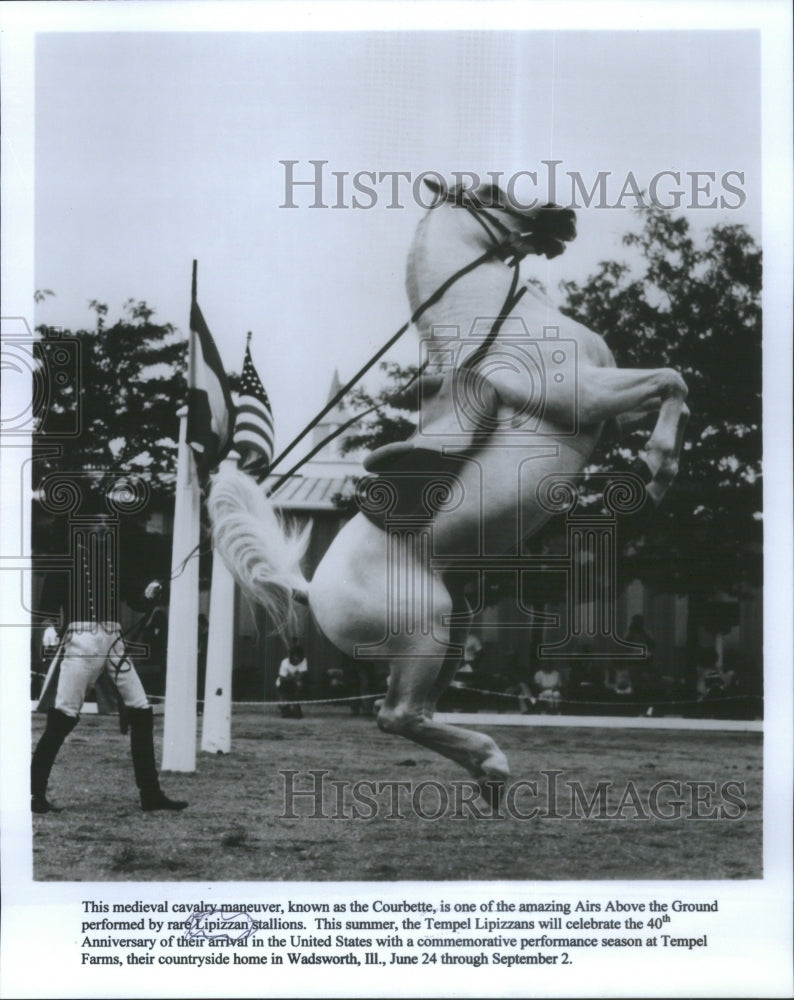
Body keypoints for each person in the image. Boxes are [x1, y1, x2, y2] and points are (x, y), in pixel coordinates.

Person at [31, 581, 187, 814]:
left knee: (142, 711)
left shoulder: (114, 558)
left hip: (113, 639)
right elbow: (48, 603)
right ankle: (34, 794)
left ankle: (150, 794)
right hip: (81, 640)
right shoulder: (68, 554)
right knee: (62, 717)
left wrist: (147, 594)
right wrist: (48, 626)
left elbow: (133, 599)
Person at [277, 640, 308, 719]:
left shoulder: (304, 661)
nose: (297, 660)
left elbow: (302, 675)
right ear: (291, 656)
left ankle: (295, 707)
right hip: (283, 684)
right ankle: (283, 706)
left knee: (299, 685)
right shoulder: (284, 662)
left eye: (299, 658)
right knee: (285, 714)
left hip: (294, 683)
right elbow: (282, 679)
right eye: (295, 657)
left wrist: (293, 678)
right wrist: (294, 678)